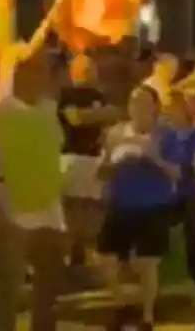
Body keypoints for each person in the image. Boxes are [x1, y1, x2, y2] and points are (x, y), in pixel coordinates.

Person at [0, 50, 68, 331]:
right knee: (8, 297)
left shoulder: (48, 111)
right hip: (12, 217)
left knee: (48, 295)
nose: (44, 77)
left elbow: (53, 156)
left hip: (49, 215)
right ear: (19, 75)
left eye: (45, 71)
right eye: (37, 71)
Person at [97, 86, 180, 329]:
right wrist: (109, 155)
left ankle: (147, 317)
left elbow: (176, 172)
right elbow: (102, 172)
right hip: (120, 204)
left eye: (144, 103)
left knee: (146, 263)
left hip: (153, 206)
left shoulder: (167, 135)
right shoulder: (116, 133)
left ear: (155, 108)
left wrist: (153, 156)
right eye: (134, 102)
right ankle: (123, 305)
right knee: (105, 258)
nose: (139, 108)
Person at [58, 53, 120, 269]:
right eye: (85, 68)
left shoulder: (99, 95)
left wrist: (95, 115)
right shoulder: (66, 95)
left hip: (93, 158)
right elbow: (74, 119)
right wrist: (99, 114)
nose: (90, 71)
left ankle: (79, 255)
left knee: (90, 210)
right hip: (70, 158)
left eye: (91, 67)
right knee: (71, 208)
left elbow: (112, 118)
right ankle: (65, 257)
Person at [161, 88, 195, 295]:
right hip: (167, 195)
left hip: (188, 194)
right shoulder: (165, 136)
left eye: (173, 108)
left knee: (193, 242)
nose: (169, 112)